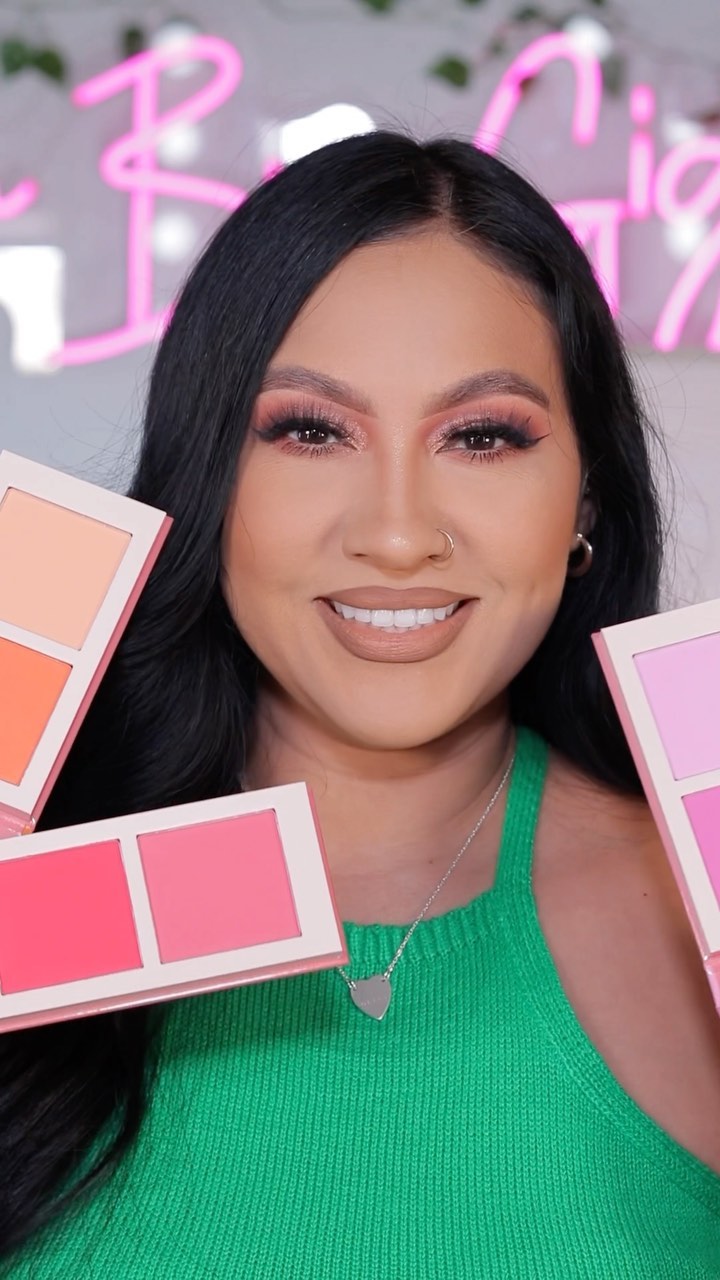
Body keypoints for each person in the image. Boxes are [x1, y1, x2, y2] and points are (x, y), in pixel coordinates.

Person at [1, 131, 719, 1279]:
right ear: (211, 476)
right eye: (311, 429)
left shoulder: (693, 901)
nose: (395, 532)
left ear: (585, 493)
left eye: (481, 436)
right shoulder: (34, 881)